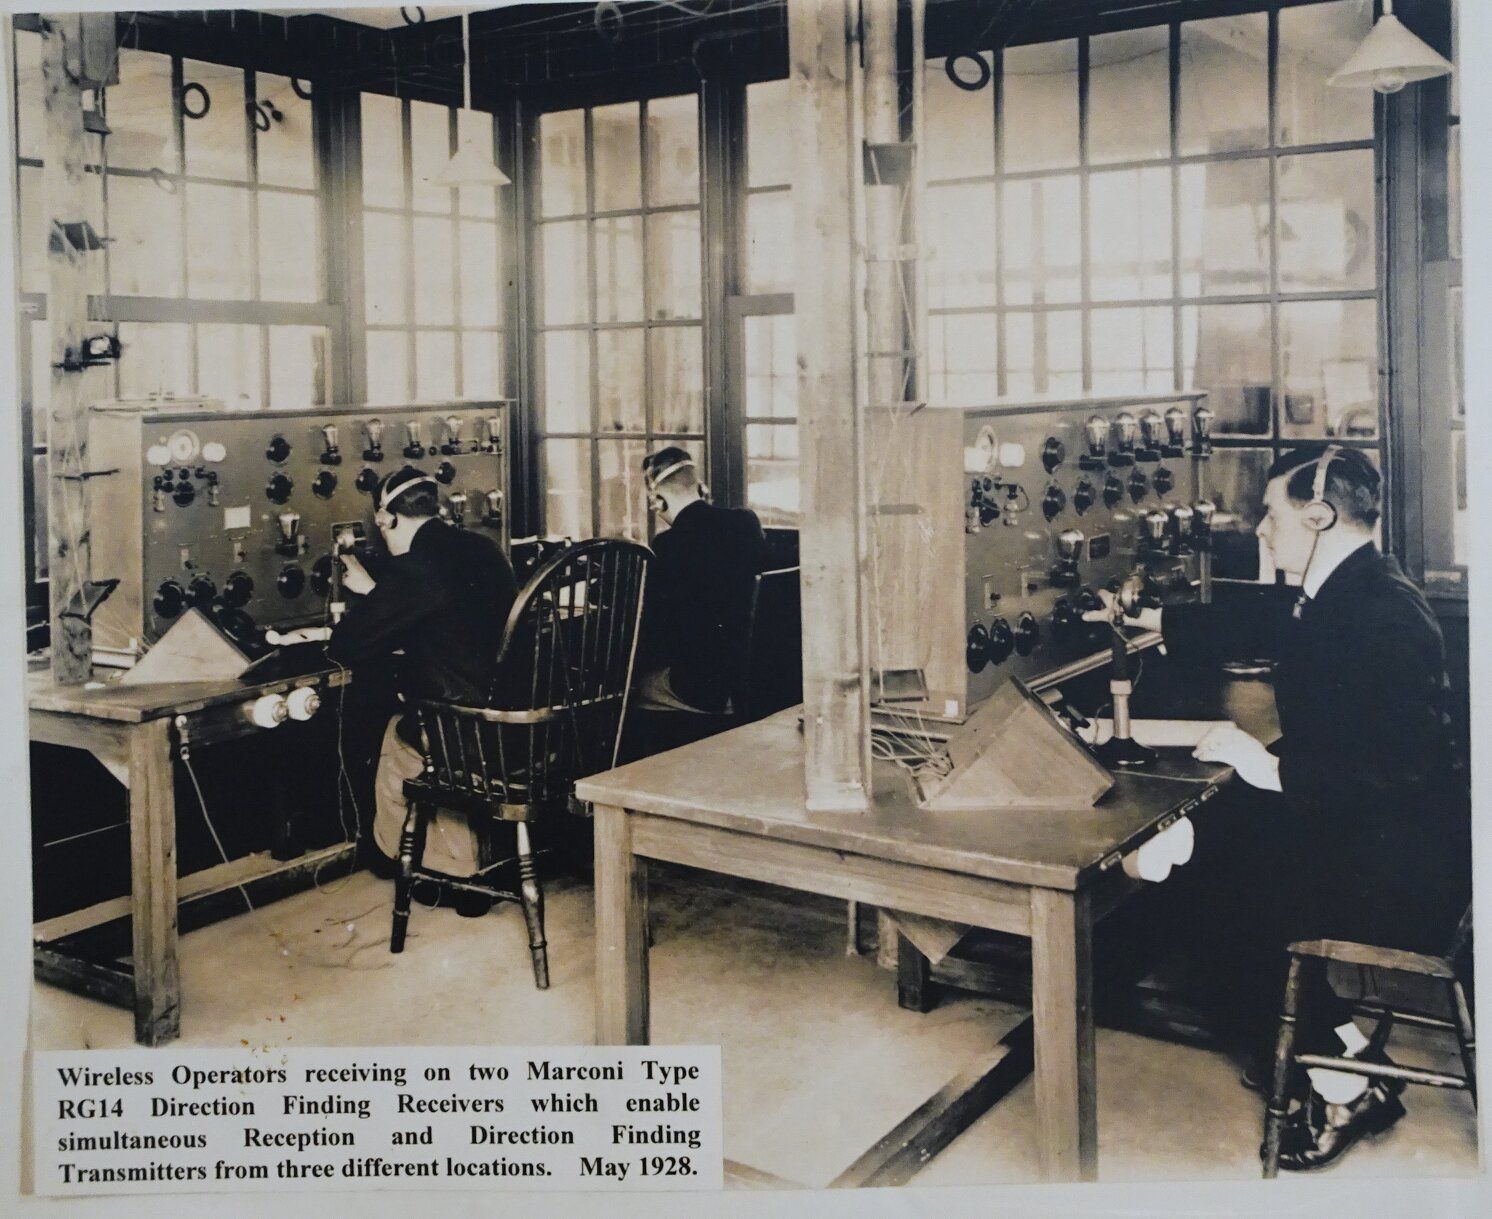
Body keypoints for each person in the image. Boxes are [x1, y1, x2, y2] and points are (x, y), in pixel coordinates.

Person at [1086, 444, 1469, 1171]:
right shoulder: (1351, 587)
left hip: (1407, 876)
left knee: (1217, 887)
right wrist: (1150, 617)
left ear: (1318, 516)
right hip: (1375, 835)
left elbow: (1396, 769)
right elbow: (1269, 622)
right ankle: (1346, 1058)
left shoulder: (1387, 618)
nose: (1260, 529)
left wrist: (1264, 762)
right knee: (1214, 839)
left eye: (1271, 514)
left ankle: (1342, 1087)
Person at [270, 466, 518, 904]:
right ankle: (461, 858)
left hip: (463, 727)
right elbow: (444, 614)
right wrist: (379, 594)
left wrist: (366, 604)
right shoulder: (483, 547)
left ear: (385, 518)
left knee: (396, 737)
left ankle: (437, 867)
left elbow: (349, 644)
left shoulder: (415, 567)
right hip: (516, 718)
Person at [633, 447, 767, 716]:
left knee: (626, 690)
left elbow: (657, 624)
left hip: (700, 687)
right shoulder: (746, 522)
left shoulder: (668, 544)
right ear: (701, 488)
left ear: (658, 501)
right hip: (751, 677)